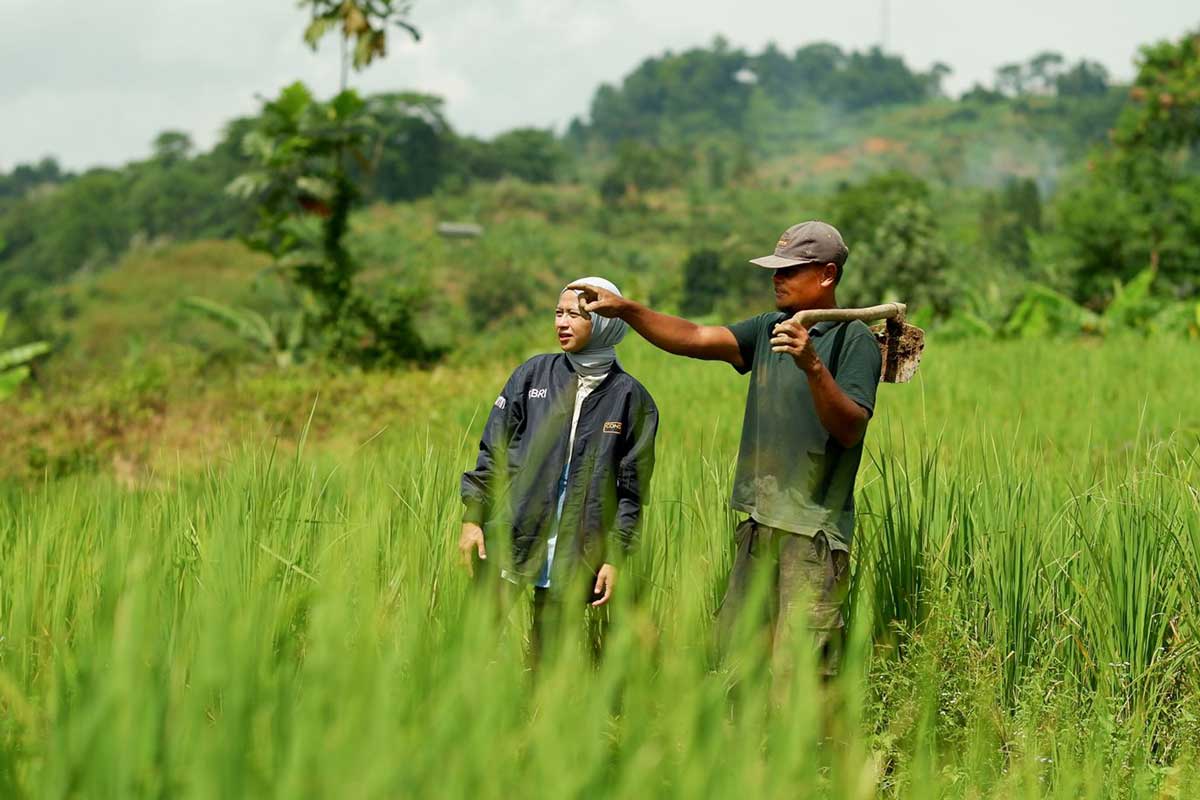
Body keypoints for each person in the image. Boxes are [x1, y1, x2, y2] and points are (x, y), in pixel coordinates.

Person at [570, 221, 882, 692]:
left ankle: (807, 764)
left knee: (800, 676)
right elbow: (695, 338)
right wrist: (627, 309)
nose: (777, 279)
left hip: (811, 534)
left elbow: (850, 427)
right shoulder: (768, 329)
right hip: (757, 527)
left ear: (827, 275)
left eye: (791, 270)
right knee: (739, 662)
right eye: (775, 270)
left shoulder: (852, 340)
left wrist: (811, 364)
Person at [458, 277, 659, 661]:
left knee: (548, 658)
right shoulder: (532, 375)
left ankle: (539, 719)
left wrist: (615, 556)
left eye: (576, 315)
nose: (562, 323)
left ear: (605, 323)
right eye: (558, 312)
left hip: (574, 548)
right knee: (474, 643)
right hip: (510, 534)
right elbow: (492, 453)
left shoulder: (631, 399)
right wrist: (472, 519)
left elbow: (632, 493)